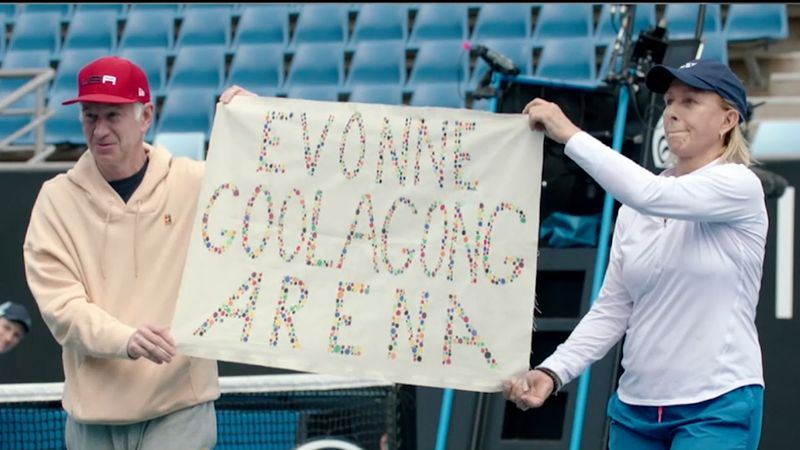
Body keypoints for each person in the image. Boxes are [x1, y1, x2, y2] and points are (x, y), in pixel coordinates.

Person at [504, 59, 767, 450]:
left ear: (728, 120)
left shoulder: (739, 184)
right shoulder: (634, 209)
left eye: (690, 101)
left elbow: (651, 195)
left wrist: (570, 135)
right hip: (634, 410)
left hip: (717, 404)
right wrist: (553, 371)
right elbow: (612, 308)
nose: (673, 112)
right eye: (669, 101)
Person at [23, 56, 242, 450]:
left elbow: (268, 191)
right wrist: (125, 339)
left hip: (180, 405)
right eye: (90, 116)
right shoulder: (55, 200)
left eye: (113, 115)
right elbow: (60, 306)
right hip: (92, 418)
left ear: (146, 117)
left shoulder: (195, 182)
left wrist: (254, 122)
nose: (100, 130)